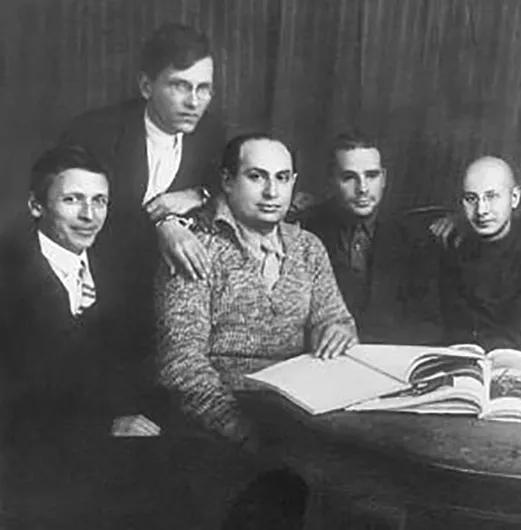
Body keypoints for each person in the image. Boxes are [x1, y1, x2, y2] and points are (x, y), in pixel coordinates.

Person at [155, 133, 355, 529]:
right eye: (256, 176)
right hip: (216, 428)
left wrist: (337, 329)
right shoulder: (195, 247)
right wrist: (248, 434)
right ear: (227, 181)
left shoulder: (308, 248)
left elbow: (337, 319)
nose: (272, 192)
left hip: (301, 421)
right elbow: (180, 365)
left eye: (282, 178)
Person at [59, 24, 226, 421]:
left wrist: (199, 194)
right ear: (146, 86)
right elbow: (79, 220)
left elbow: (232, 188)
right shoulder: (94, 133)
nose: (194, 102)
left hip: (167, 290)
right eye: (180, 86)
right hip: (98, 285)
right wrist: (163, 220)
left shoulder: (212, 133)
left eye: (204, 88)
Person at [0, 145, 161, 528]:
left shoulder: (115, 270)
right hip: (29, 453)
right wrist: (102, 426)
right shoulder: (9, 276)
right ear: (36, 206)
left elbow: (133, 361)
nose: (89, 216)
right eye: (72, 200)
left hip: (110, 440)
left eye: (99, 201)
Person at [297, 130, 441, 344]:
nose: (362, 189)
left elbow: (430, 325)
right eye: (349, 177)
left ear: (384, 178)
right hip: (324, 353)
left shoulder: (416, 238)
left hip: (389, 355)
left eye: (371, 176)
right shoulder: (305, 231)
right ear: (332, 180)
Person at [438, 156, 521, 351]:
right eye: (471, 199)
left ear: (514, 198)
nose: (481, 210)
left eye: (492, 196)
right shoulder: (454, 250)